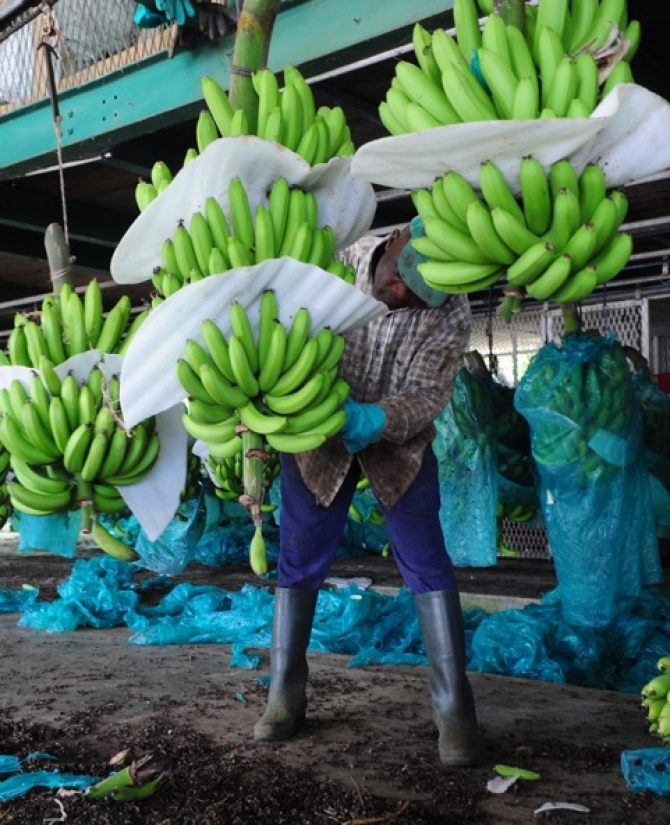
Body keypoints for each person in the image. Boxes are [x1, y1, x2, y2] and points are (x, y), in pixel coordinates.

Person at [254, 216, 483, 767]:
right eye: (403, 278)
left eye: (418, 295)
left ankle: (454, 712)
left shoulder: (451, 310)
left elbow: (429, 391)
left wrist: (376, 417)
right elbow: (284, 328)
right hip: (313, 432)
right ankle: (285, 693)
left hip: (396, 441)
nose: (402, 295)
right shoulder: (332, 256)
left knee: (426, 558)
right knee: (300, 557)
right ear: (397, 239)